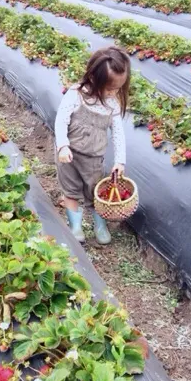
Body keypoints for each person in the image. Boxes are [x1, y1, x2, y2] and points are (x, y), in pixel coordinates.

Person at [54, 47, 130, 246]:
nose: (113, 93)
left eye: (117, 89)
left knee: (94, 192)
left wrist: (120, 161)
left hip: (94, 158)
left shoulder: (111, 104)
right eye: (110, 88)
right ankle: (75, 226)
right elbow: (61, 120)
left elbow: (118, 133)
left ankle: (99, 225)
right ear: (94, 79)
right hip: (69, 154)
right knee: (71, 190)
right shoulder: (76, 94)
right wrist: (62, 146)